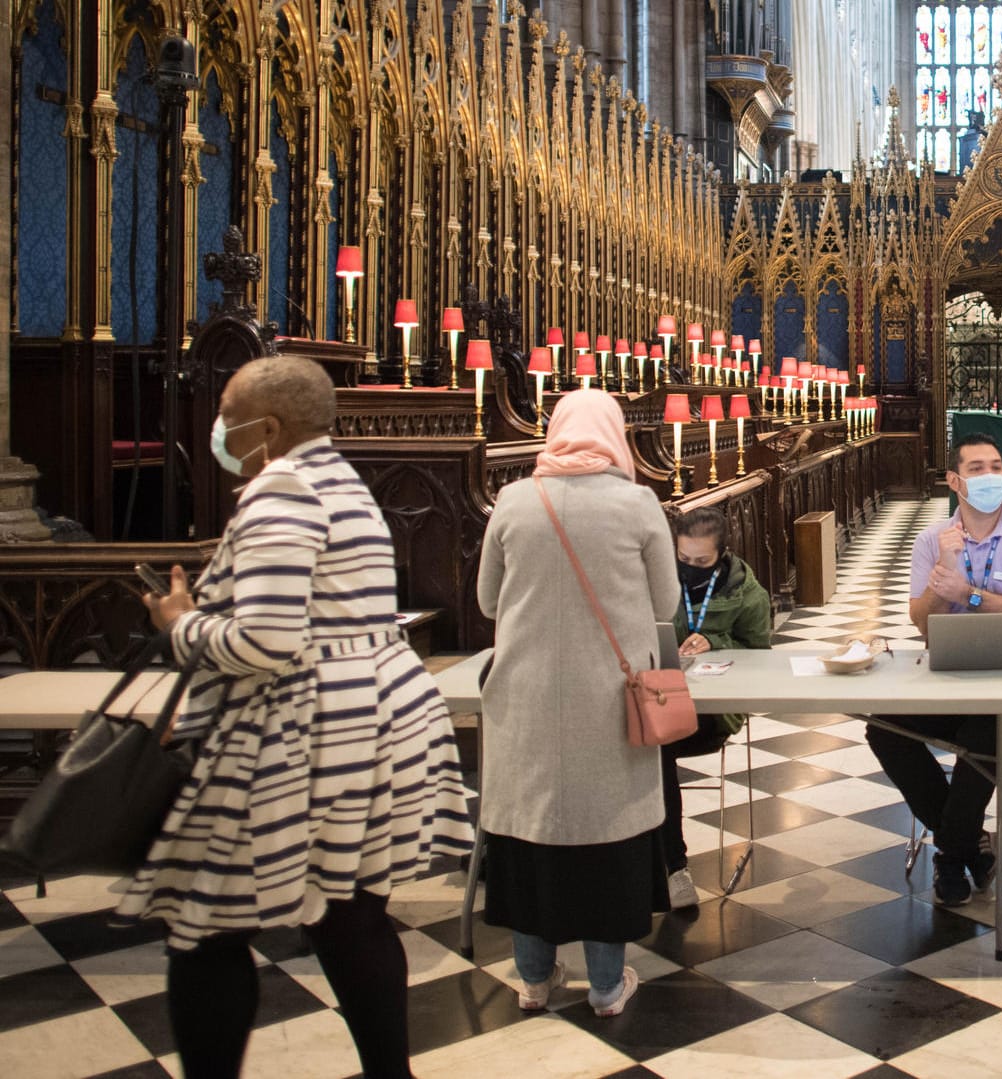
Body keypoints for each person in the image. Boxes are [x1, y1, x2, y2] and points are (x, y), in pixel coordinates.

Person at [124, 355, 473, 1079]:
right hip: (376, 712)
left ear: (269, 426)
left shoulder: (281, 489)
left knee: (206, 918)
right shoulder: (340, 479)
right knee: (349, 914)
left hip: (306, 730)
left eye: (228, 412)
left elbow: (265, 640)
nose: (219, 425)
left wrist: (179, 623)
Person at [476, 389, 680, 1018]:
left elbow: (487, 601)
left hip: (525, 700)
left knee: (528, 836)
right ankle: (604, 987)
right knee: (606, 840)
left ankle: (534, 981)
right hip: (609, 705)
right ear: (614, 433)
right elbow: (666, 606)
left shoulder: (513, 501)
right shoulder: (638, 504)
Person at [865, 432, 1002, 906]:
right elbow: (923, 625)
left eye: (996, 466)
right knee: (884, 728)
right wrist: (947, 567)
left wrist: (970, 596)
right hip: (950, 680)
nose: (991, 476)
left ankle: (951, 857)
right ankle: (968, 842)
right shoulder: (931, 541)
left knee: (986, 731)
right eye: (977, 468)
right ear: (955, 480)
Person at [661, 506, 773, 909]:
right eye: (683, 559)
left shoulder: (747, 593)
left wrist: (719, 642)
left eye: (702, 562)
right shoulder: (655, 580)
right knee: (639, 745)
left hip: (711, 713)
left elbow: (761, 657)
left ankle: (674, 867)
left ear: (722, 555)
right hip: (658, 697)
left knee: (653, 749)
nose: (690, 569)